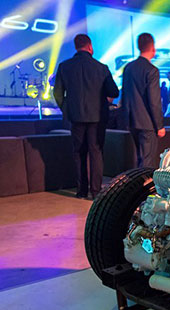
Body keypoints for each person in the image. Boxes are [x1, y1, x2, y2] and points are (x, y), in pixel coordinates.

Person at [53, 34, 118, 199]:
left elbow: (58, 93)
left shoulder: (64, 66)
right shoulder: (101, 68)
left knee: (79, 153)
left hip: (76, 117)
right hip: (97, 118)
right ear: (90, 47)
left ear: (76, 47)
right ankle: (96, 191)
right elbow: (114, 91)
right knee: (96, 152)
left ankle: (81, 191)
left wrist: (67, 109)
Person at [121, 33, 165, 168]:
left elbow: (125, 95)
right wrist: (159, 125)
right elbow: (154, 101)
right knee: (147, 162)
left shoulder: (128, 68)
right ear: (153, 48)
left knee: (138, 159)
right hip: (148, 124)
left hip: (132, 121)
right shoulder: (152, 70)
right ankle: (144, 183)